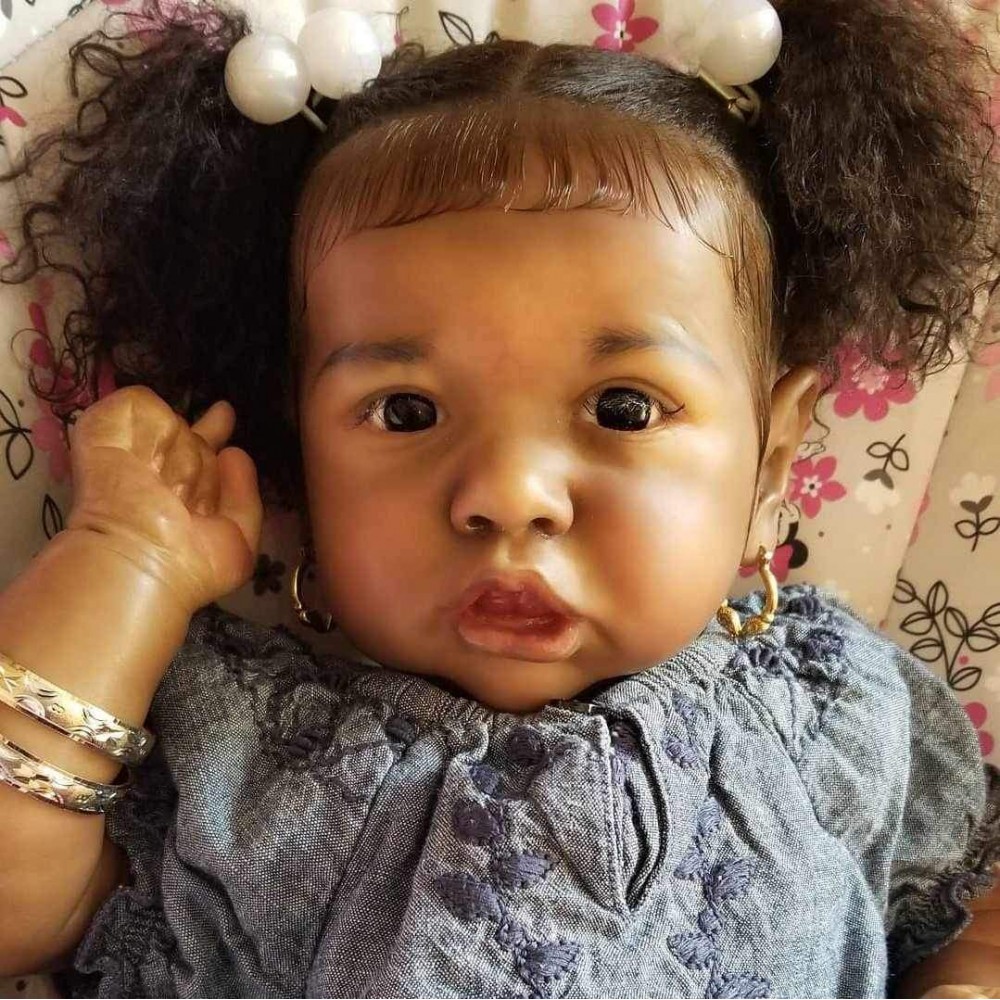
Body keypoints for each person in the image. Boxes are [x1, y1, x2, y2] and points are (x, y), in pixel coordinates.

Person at [0, 0, 998, 995]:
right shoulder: (240, 758)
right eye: (405, 411)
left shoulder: (831, 712)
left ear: (772, 458)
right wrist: (124, 555)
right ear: (297, 451)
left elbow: (968, 908)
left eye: (622, 407)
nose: (509, 496)